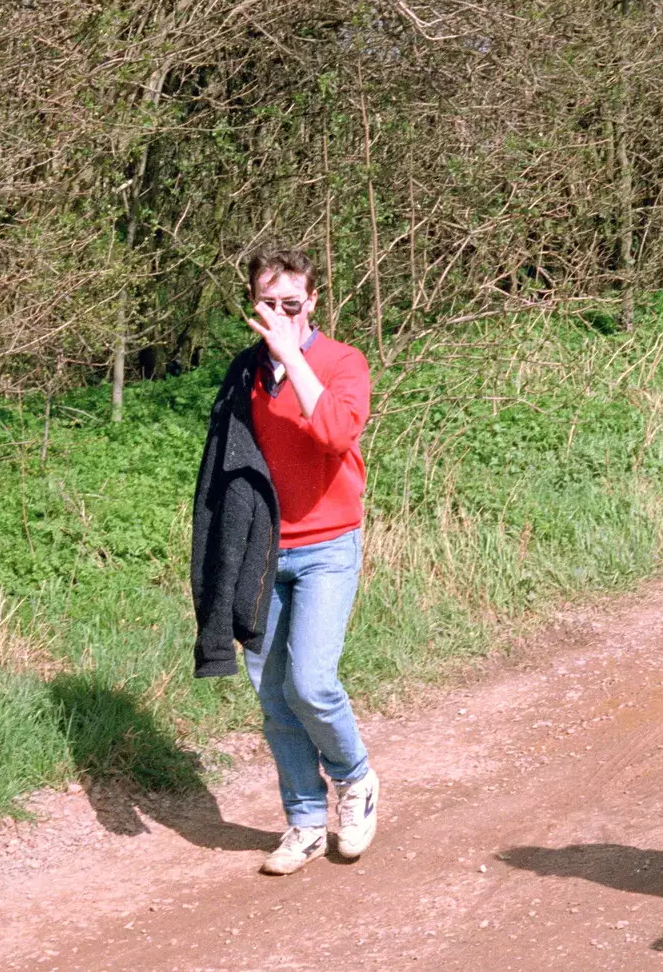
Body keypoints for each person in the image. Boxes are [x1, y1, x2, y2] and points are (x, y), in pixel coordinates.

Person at [190, 247, 379, 875]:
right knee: (272, 696)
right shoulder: (243, 376)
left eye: (291, 306)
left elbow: (332, 433)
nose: (277, 318)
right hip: (263, 555)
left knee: (311, 682)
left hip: (328, 545)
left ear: (314, 303)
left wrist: (292, 357)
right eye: (266, 306)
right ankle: (303, 821)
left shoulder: (343, 362)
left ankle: (355, 782)